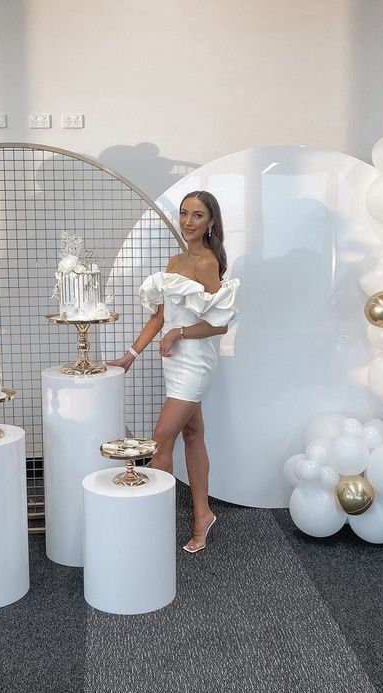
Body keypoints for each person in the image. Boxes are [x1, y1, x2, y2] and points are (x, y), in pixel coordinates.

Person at [108, 190, 238, 553]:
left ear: (211, 221)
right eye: (184, 213)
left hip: (195, 361)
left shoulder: (207, 263)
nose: (188, 222)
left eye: (198, 215)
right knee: (193, 434)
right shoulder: (174, 261)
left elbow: (220, 324)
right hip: (175, 361)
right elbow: (160, 316)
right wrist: (130, 356)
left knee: (159, 440)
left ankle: (154, 526)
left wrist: (180, 333)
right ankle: (202, 515)